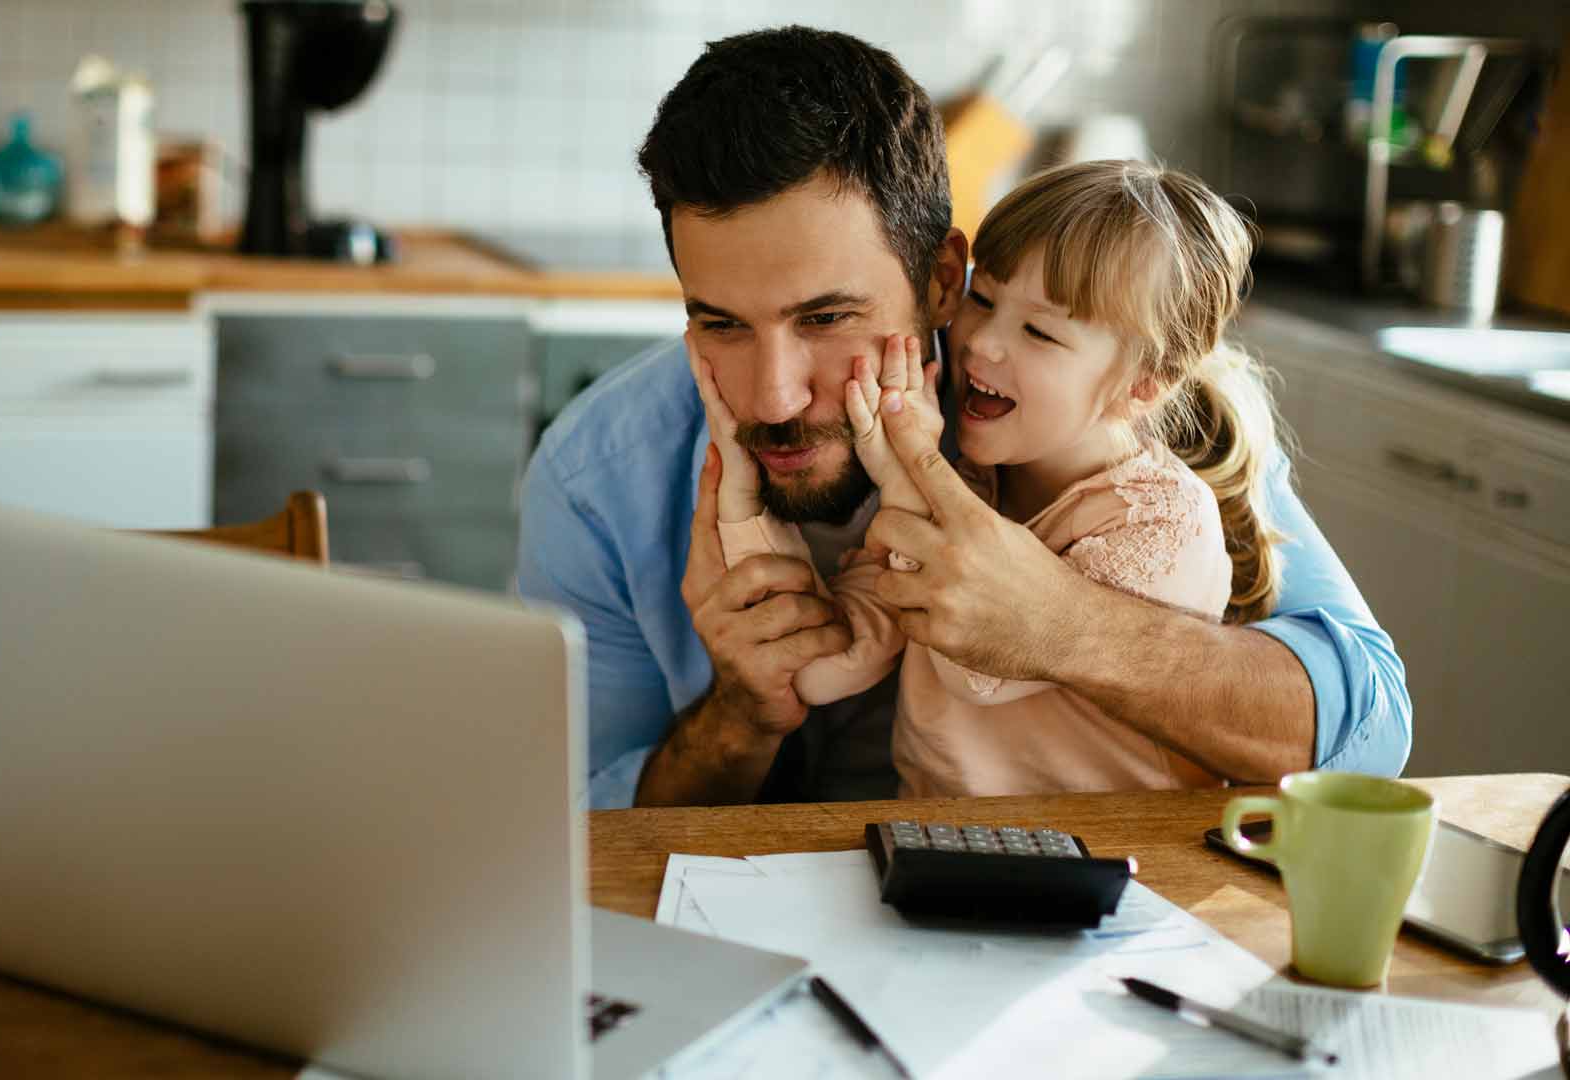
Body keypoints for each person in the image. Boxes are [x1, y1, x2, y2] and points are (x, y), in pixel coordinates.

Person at [515, 26, 1411, 809]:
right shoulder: (599, 475)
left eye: (828, 319)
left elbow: (1367, 728)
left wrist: (1063, 625)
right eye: (720, 323)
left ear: (946, 281)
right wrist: (742, 713)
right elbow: (576, 835)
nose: (775, 397)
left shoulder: (1113, 418)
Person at [701, 158, 1286, 797]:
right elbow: (824, 672)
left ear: (1142, 385)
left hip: (1117, 864)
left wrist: (902, 475)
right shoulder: (975, 481)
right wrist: (741, 499)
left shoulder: (1162, 520)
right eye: (984, 299)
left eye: (1039, 330)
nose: (981, 343)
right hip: (946, 848)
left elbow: (978, 666)